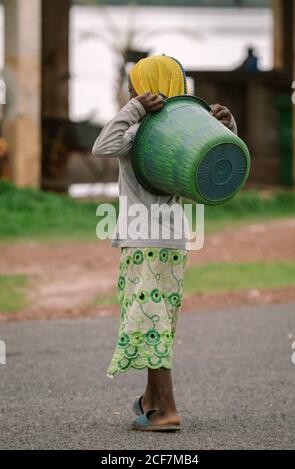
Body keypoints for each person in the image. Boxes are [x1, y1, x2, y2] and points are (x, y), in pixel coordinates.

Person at [92, 54, 237, 432]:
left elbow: (101, 145)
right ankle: (151, 401)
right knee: (157, 323)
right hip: (173, 243)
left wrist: (134, 108)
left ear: (145, 91)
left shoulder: (136, 134)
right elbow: (222, 165)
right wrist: (225, 126)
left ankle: (168, 409)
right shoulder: (185, 137)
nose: (131, 92)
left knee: (150, 323)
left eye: (134, 87)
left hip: (143, 242)